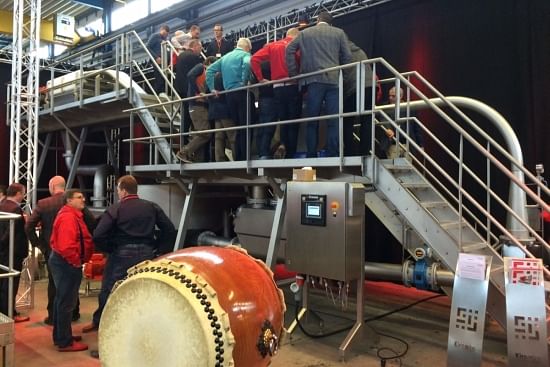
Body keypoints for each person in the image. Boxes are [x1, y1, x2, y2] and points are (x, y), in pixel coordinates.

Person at [83, 175, 176, 350]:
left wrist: (110, 249)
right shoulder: (151, 207)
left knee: (110, 294)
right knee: (142, 293)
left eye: (118, 189)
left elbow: (98, 235)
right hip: (147, 255)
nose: (118, 192)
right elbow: (169, 229)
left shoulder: (116, 209)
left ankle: (106, 342)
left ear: (123, 189)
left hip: (121, 255)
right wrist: (160, 249)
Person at [25, 176, 96, 325]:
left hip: (52, 250)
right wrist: (83, 243)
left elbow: (29, 226)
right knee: (72, 285)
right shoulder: (75, 204)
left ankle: (53, 317)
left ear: (52, 187)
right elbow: (91, 223)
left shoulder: (44, 204)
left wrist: (39, 245)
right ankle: (73, 314)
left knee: (54, 285)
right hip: (73, 252)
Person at [286, 11, 352, 157]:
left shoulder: (305, 33)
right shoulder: (339, 33)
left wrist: (294, 74)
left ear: (317, 20)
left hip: (313, 80)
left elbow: (289, 49)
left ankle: (311, 155)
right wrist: (344, 76)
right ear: (330, 23)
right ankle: (333, 154)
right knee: (334, 120)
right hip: (334, 80)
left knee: (313, 120)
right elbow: (348, 57)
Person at [48, 189, 94, 352]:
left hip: (64, 262)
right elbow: (67, 246)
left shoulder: (71, 215)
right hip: (66, 263)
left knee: (62, 301)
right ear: (69, 200)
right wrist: (75, 263)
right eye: (79, 197)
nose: (83, 200)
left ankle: (61, 336)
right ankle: (65, 341)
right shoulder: (68, 217)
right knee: (66, 302)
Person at [251, 27, 301, 159]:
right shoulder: (297, 45)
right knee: (293, 122)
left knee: (282, 121)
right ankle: (291, 154)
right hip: (292, 85)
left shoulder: (272, 46)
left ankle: (278, 150)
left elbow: (254, 59)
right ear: (296, 36)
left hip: (277, 88)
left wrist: (260, 79)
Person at [206, 37, 253, 161]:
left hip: (229, 95)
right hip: (241, 92)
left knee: (236, 127)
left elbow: (209, 70)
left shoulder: (225, 58)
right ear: (247, 47)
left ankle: (238, 158)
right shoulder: (245, 55)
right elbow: (248, 63)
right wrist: (244, 81)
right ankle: (246, 157)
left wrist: (212, 88)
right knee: (246, 125)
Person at [176, 56, 217, 163]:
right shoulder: (200, 67)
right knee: (205, 133)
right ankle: (184, 152)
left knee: (200, 133)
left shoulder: (207, 76)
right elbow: (190, 75)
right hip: (197, 106)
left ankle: (197, 159)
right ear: (209, 63)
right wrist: (198, 93)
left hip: (200, 107)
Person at [0, 183, 29, 323]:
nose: (24, 196)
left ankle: (4, 310)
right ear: (18, 193)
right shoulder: (15, 209)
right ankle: (9, 313)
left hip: (4, 251)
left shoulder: (2, 204)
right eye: (23, 193)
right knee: (11, 283)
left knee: (3, 282)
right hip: (13, 251)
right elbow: (12, 232)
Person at [342, 40, 375, 156]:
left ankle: (349, 152)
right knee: (366, 120)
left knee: (347, 120)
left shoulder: (343, 52)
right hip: (369, 86)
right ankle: (365, 152)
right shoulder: (359, 50)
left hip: (354, 87)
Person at [381, 86, 424, 159]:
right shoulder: (386, 106)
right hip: (392, 144)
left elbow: (416, 127)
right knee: (394, 169)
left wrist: (420, 145)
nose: (390, 98)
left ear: (400, 96)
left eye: (393, 96)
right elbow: (383, 119)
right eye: (389, 95)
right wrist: (387, 129)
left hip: (407, 145)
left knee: (407, 168)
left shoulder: (410, 108)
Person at [175, 39, 204, 144]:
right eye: (200, 48)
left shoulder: (181, 56)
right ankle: (189, 140)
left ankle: (184, 139)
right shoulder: (194, 57)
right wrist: (197, 91)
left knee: (185, 115)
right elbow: (194, 75)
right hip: (189, 89)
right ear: (195, 46)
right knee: (191, 115)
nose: (201, 50)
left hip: (180, 88)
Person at [209, 71, 236, 162]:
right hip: (224, 109)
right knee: (232, 135)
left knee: (219, 137)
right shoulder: (225, 75)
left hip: (215, 110)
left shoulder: (213, 77)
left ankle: (219, 159)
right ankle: (237, 158)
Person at [146, 24, 170, 95]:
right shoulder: (155, 36)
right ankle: (158, 94)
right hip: (157, 60)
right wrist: (156, 57)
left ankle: (163, 93)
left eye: (167, 34)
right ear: (161, 30)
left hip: (164, 61)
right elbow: (148, 47)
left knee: (163, 78)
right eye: (165, 33)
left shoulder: (165, 39)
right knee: (159, 78)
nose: (165, 35)